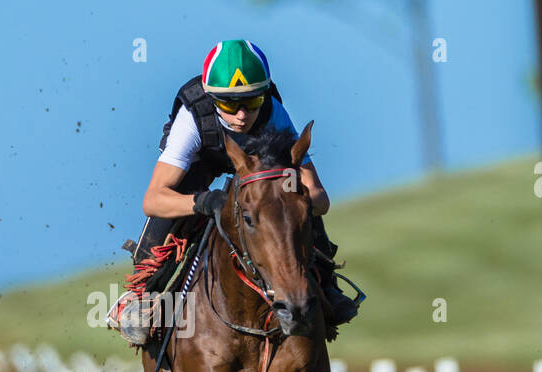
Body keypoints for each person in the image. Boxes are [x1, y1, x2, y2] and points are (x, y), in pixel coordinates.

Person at [108, 39, 361, 346]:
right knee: (175, 207)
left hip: (261, 167)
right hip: (201, 162)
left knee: (292, 198)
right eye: (230, 105)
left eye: (252, 102)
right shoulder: (193, 118)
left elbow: (320, 197)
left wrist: (293, 196)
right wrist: (204, 201)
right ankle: (141, 296)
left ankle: (326, 282)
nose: (242, 115)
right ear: (213, 99)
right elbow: (153, 200)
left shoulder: (274, 113)